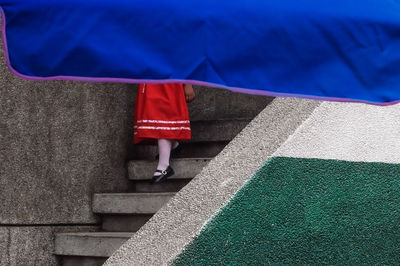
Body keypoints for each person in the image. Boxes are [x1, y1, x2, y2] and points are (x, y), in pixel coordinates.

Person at [133, 83, 195, 183]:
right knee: (154, 116)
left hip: (169, 82)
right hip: (151, 80)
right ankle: (174, 146)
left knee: (163, 116)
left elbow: (184, 66)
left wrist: (187, 83)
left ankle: (164, 166)